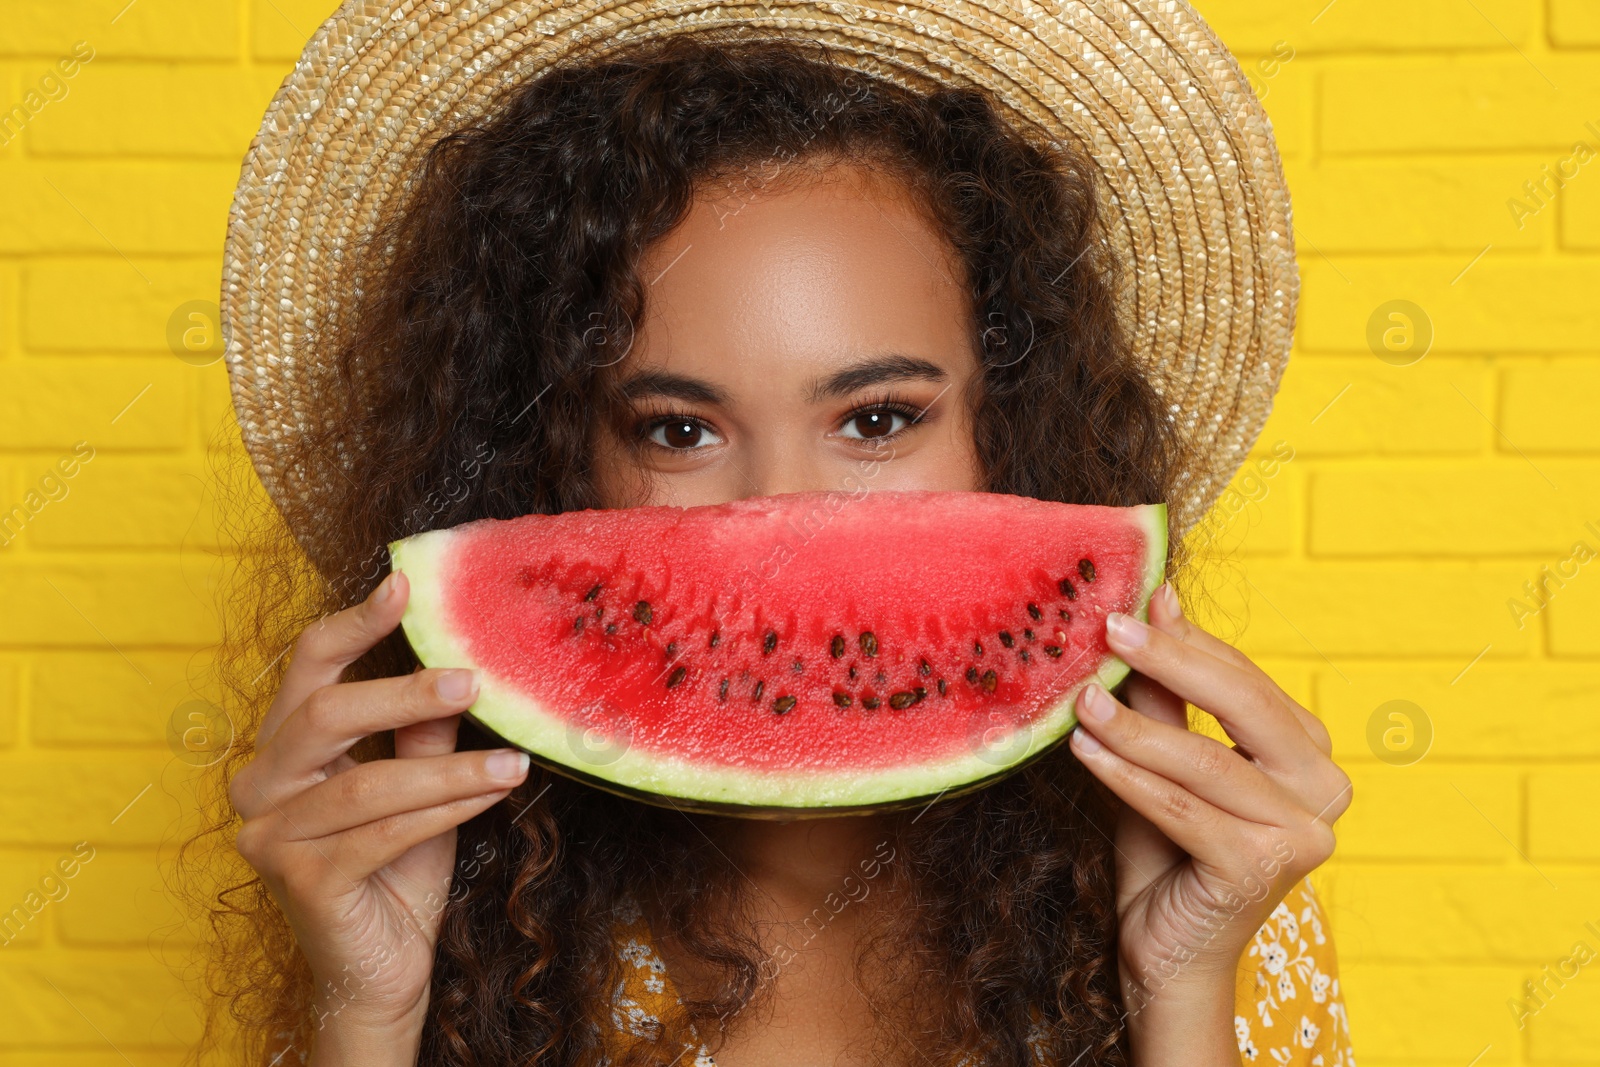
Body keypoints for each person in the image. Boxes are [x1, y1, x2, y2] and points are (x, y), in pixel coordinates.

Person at [199, 7, 1354, 1067]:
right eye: (678, 428)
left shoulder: (1211, 887)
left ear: (1009, 429)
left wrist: (1183, 982)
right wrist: (368, 1008)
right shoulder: (464, 923)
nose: (783, 522)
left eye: (878, 418)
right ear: (553, 463)